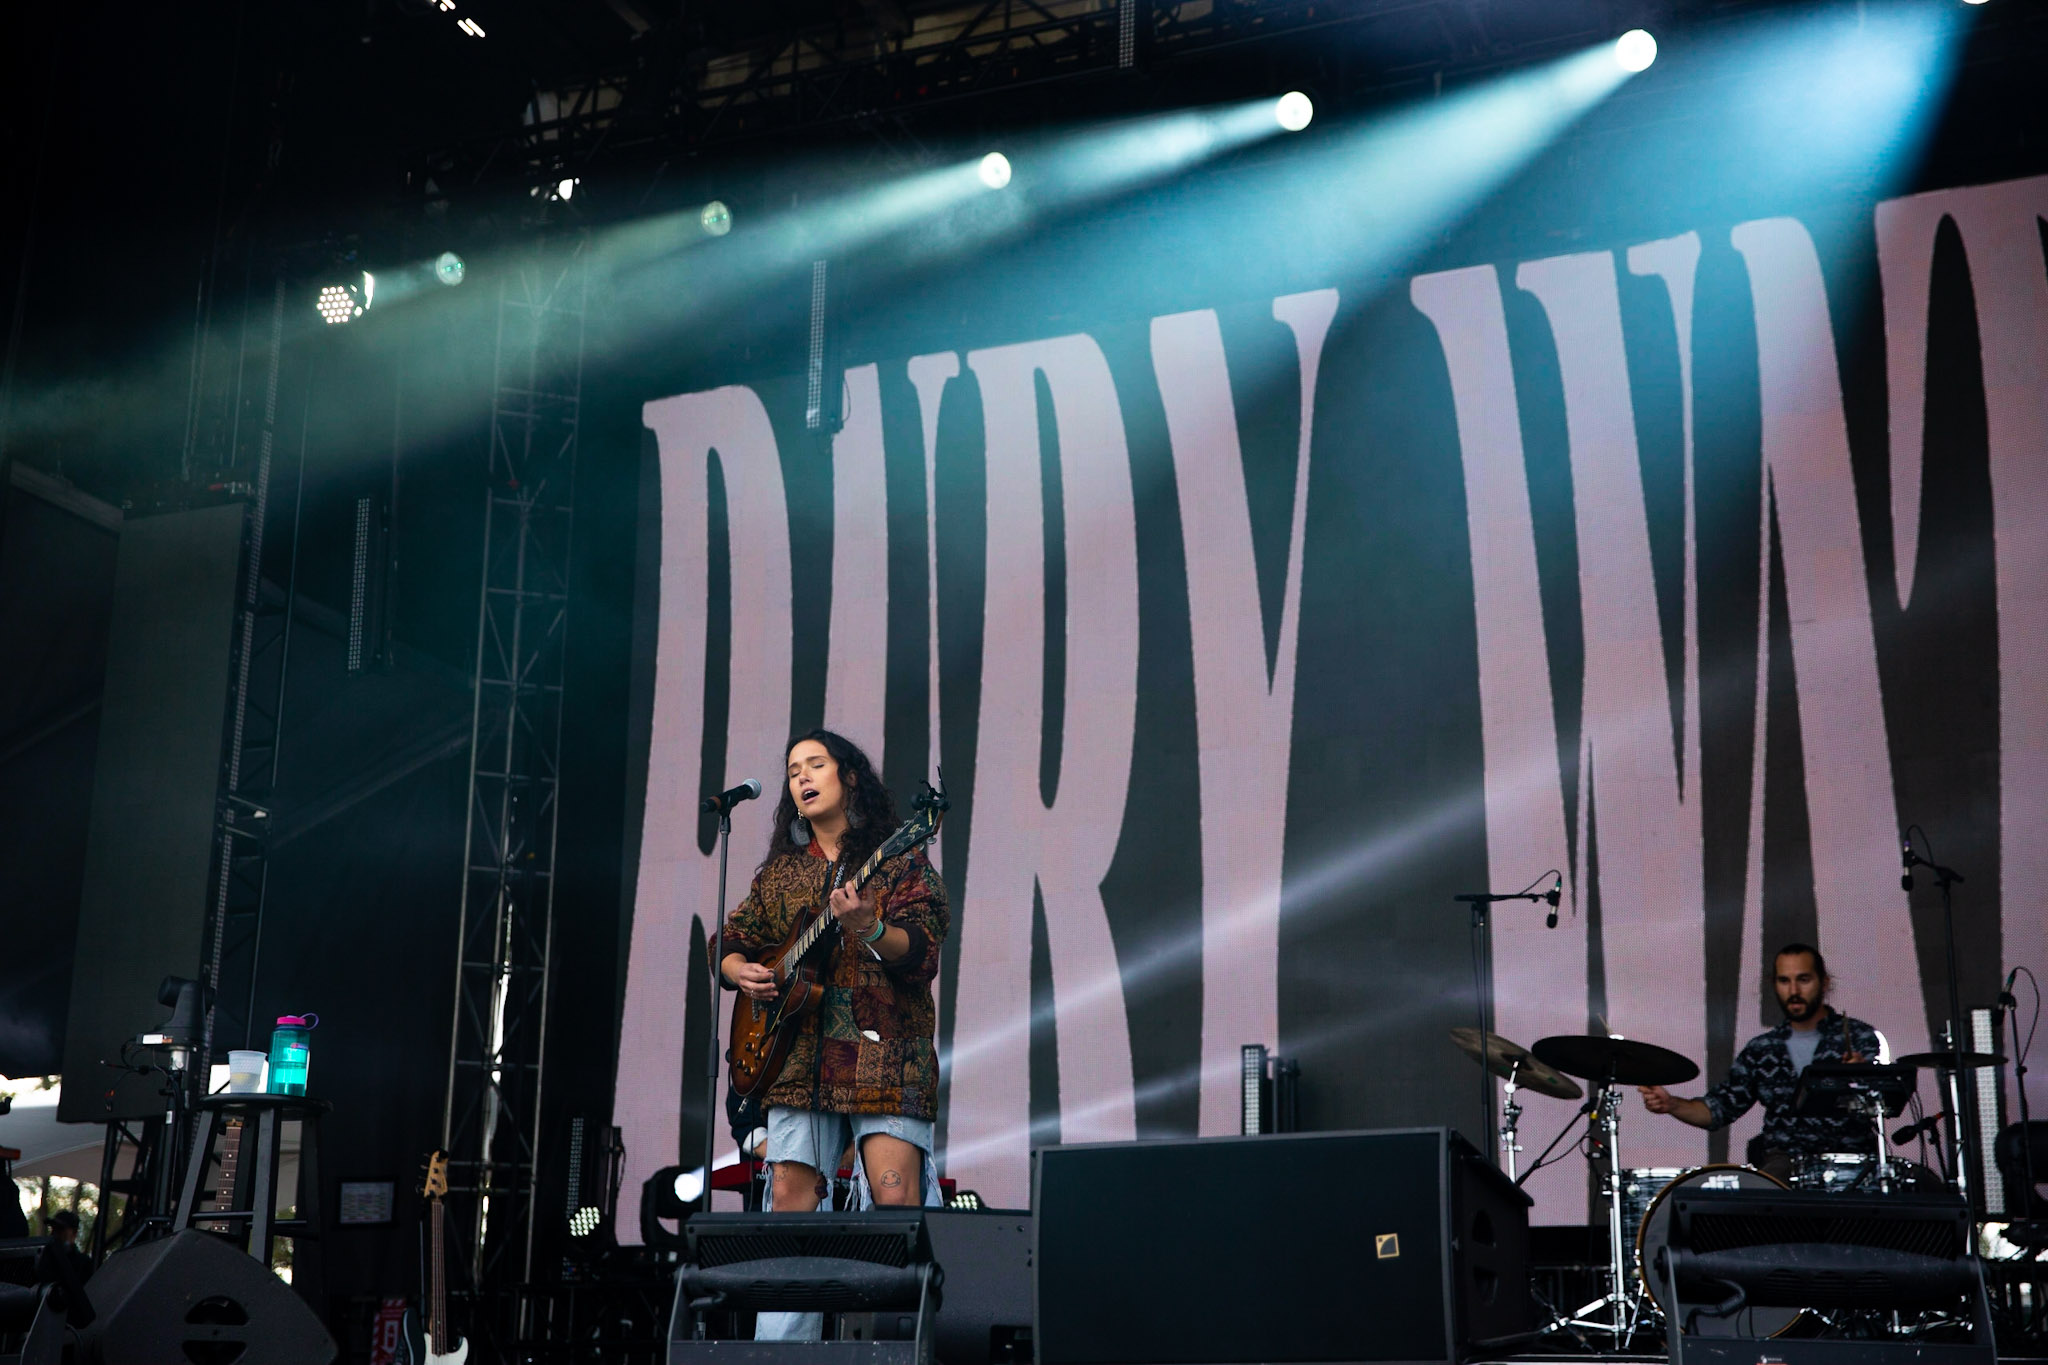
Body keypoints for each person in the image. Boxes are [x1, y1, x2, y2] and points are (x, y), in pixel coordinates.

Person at [718, 729, 948, 1339]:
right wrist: (739, 970)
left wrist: (870, 927)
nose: (801, 776)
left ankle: (900, 1345)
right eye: (793, 769)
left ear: (849, 777)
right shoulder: (782, 874)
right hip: (795, 1062)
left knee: (895, 1205)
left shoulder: (898, 858)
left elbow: (922, 951)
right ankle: (781, 1353)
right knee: (791, 1210)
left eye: (815, 764)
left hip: (884, 1058)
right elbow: (731, 938)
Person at [1637, 942, 1881, 1180]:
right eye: (1784, 981)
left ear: (1824, 983)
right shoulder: (1762, 1049)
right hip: (1785, 1168)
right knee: (1763, 1184)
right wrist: (1671, 1104)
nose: (1794, 991)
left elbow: (1888, 1099)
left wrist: (1864, 1077)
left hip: (1853, 1165)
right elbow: (1719, 1109)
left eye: (1804, 979)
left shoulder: (1859, 1037)